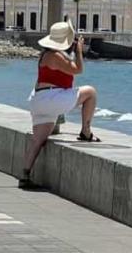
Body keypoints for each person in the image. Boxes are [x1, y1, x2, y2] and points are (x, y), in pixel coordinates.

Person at [19, 21, 99, 189]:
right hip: (52, 98)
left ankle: (25, 175)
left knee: (38, 140)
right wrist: (79, 51)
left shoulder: (46, 55)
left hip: (40, 99)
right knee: (90, 92)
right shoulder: (56, 56)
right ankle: (86, 131)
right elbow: (78, 69)